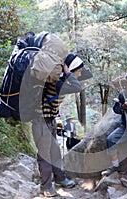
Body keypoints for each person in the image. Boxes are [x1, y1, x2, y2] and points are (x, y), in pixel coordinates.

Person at [31, 53, 88, 197]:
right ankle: (45, 187)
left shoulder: (60, 81)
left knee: (55, 152)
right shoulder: (57, 82)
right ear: (71, 68)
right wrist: (68, 72)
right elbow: (76, 87)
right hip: (40, 121)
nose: (80, 74)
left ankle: (60, 179)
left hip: (49, 121)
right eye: (79, 70)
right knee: (45, 155)